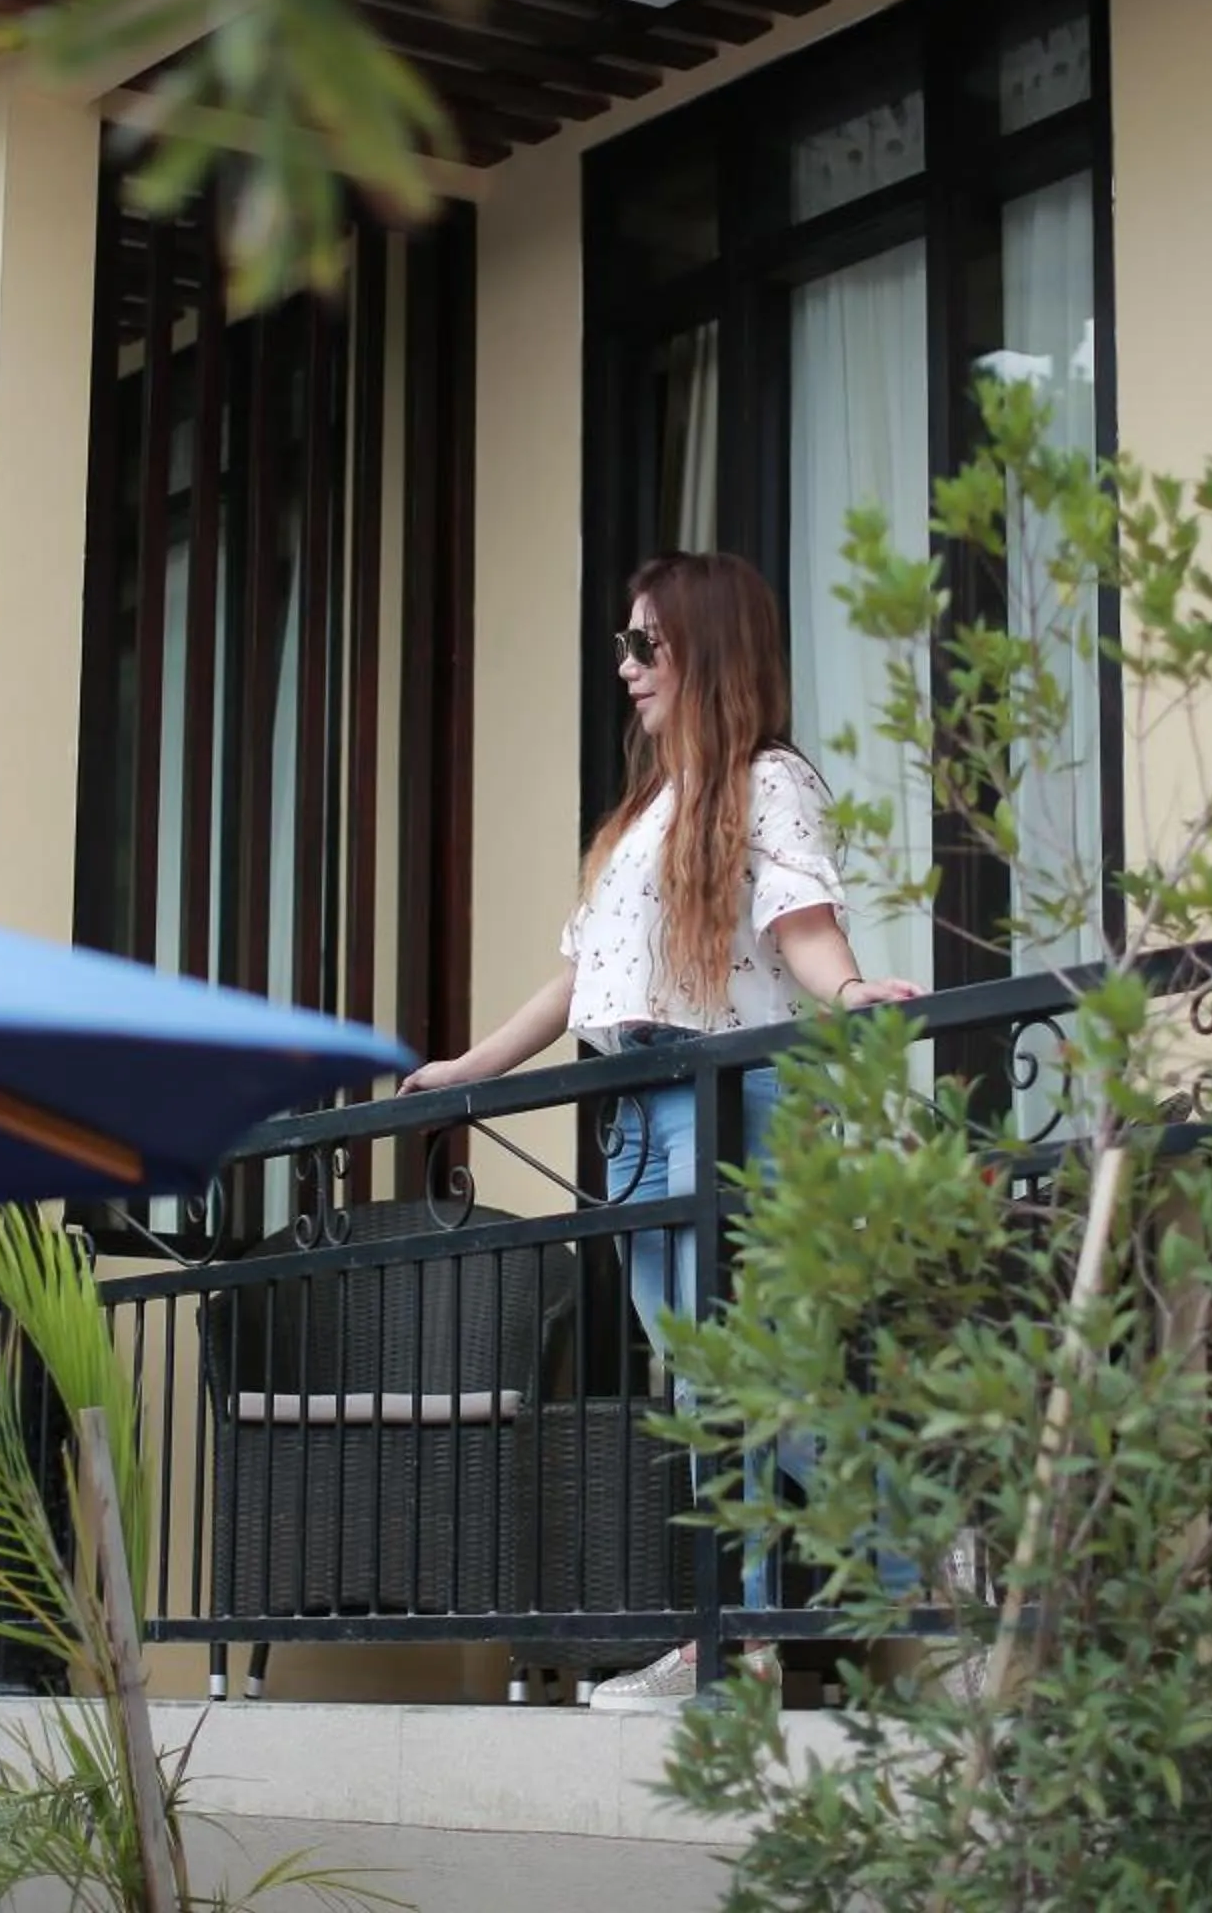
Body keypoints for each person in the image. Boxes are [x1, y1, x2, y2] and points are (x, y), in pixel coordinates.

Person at [403, 550, 921, 1711]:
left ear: (709, 650)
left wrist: (847, 995)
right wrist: (471, 1071)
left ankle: (941, 1579)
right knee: (701, 1390)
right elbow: (581, 973)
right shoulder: (646, 811)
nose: (627, 666)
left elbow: (803, 922)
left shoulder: (766, 779)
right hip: (636, 1111)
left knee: (763, 1383)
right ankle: (723, 1643)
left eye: (649, 643)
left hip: (734, 1101)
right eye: (623, 644)